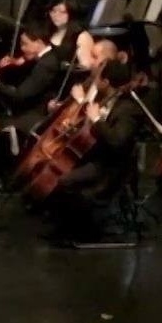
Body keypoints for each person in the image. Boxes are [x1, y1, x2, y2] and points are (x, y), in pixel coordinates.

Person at [41, 60, 144, 243]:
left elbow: (117, 141)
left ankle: (81, 230)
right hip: (98, 159)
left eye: (98, 78)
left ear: (106, 82)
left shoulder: (128, 109)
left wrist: (96, 120)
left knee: (65, 181)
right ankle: (66, 227)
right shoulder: (108, 101)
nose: (95, 82)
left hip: (111, 169)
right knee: (59, 172)